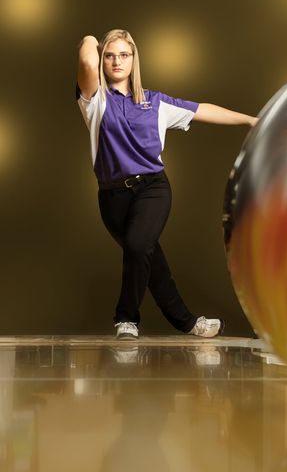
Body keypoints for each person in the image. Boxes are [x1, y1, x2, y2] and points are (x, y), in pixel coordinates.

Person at [76, 29, 258, 340]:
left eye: (124, 55)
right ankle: (188, 322)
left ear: (135, 60)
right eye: (110, 55)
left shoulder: (155, 102)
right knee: (149, 258)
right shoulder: (94, 99)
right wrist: (94, 38)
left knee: (138, 246)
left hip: (152, 189)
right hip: (112, 198)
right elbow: (86, 61)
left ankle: (126, 319)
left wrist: (251, 121)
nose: (116, 61)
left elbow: (202, 110)